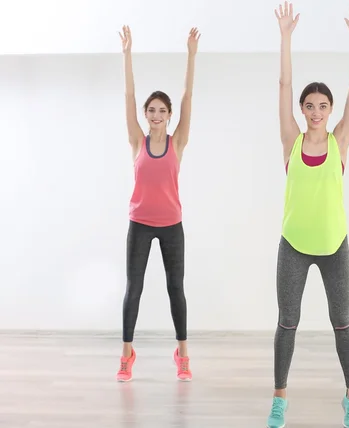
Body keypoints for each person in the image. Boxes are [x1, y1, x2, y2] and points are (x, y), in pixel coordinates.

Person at [266, 2, 349, 427]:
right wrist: (286, 37)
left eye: (323, 105)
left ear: (329, 110)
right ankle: (279, 400)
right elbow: (285, 84)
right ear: (304, 111)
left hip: (333, 246)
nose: (317, 110)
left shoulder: (340, 143)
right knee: (287, 323)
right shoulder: (291, 140)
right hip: (293, 246)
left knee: (342, 324)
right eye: (310, 105)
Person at [116, 25, 200, 382]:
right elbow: (129, 94)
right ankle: (126, 354)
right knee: (133, 288)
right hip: (140, 222)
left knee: (175, 288)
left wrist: (191, 56)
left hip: (171, 225)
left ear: (168, 115)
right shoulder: (137, 140)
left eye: (160, 111)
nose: (154, 115)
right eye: (150, 110)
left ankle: (182, 353)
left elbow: (187, 98)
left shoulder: (177, 142)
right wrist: (127, 54)